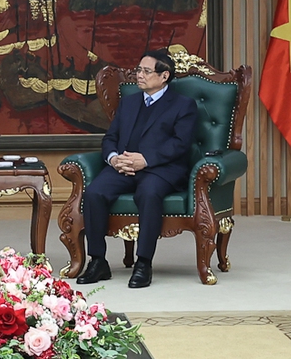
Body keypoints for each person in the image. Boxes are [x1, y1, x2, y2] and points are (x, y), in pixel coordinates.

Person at [76, 50, 201, 290]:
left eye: (146, 71)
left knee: (148, 193)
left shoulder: (183, 105)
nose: (139, 75)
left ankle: (143, 263)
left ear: (164, 76)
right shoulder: (130, 102)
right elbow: (110, 138)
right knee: (94, 193)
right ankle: (98, 260)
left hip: (160, 169)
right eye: (138, 70)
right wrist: (113, 159)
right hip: (123, 166)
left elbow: (180, 144)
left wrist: (146, 160)